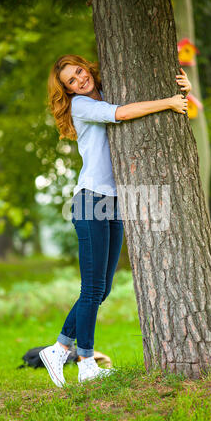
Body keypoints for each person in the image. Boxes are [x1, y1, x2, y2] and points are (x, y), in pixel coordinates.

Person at [39, 54, 192, 387]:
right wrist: (168, 102)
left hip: (114, 202)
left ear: (85, 67)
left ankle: (59, 348)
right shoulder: (82, 105)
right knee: (92, 289)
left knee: (102, 289)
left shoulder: (107, 89)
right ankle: (85, 362)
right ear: (67, 91)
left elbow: (132, 100)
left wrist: (184, 89)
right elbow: (121, 113)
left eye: (79, 72)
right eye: (71, 82)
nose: (79, 81)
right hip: (90, 200)